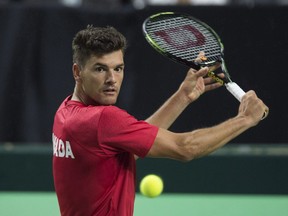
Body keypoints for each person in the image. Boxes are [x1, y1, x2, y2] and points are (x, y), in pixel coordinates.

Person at [52, 25, 268, 216]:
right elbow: (185, 148)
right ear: (77, 72)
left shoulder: (65, 112)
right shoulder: (103, 119)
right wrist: (245, 119)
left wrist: (182, 98)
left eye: (118, 68)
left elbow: (129, 148)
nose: (112, 79)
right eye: (100, 69)